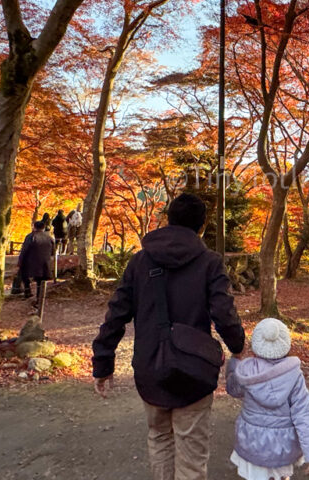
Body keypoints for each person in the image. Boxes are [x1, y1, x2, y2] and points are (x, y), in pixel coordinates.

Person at [92, 192, 245, 480]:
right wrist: (238, 346)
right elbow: (223, 311)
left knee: (160, 439)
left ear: (168, 219)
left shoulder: (140, 262)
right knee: (192, 452)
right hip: (194, 371)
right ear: (201, 226)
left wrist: (103, 364)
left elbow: (116, 314)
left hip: (150, 367)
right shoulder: (209, 262)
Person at [226, 318, 309, 480]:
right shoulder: (293, 374)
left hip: (252, 442)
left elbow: (233, 389)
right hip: (282, 446)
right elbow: (304, 415)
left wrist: (234, 361)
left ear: (256, 344)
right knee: (281, 476)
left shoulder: (246, 371)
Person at [12, 220, 55, 299]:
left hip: (30, 262)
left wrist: (19, 262)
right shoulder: (49, 237)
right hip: (45, 262)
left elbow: (24, 250)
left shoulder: (31, 236)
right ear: (44, 227)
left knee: (24, 274)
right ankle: (39, 297)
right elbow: (53, 251)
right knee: (40, 281)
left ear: (34, 227)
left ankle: (27, 291)